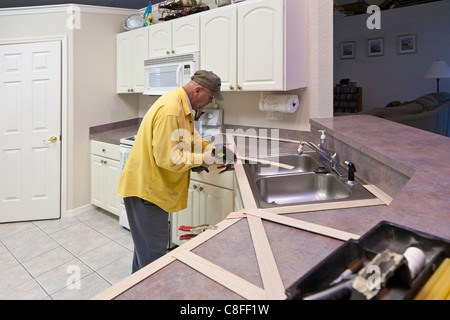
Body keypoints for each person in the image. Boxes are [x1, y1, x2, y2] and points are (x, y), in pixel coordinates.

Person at [117, 70, 225, 273]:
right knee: (154, 261)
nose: (209, 102)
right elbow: (168, 157)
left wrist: (211, 149)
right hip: (147, 192)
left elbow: (191, 137)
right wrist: (202, 159)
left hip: (151, 189)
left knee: (145, 253)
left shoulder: (183, 106)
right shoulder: (171, 110)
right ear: (198, 89)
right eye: (210, 97)